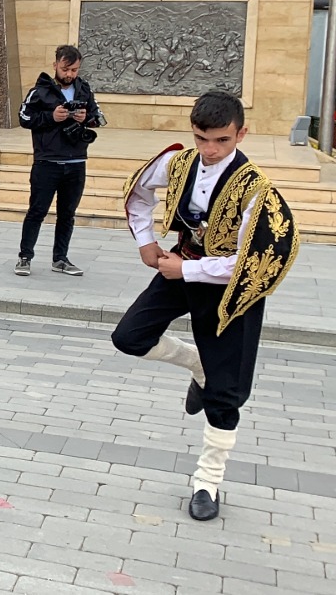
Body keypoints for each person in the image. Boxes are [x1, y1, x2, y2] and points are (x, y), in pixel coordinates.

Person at [110, 91, 298, 522]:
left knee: (226, 394)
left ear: (241, 134)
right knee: (129, 336)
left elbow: (257, 259)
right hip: (181, 264)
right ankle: (197, 362)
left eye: (221, 141)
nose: (210, 150)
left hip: (230, 288)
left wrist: (188, 272)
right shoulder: (178, 163)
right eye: (201, 139)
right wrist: (145, 241)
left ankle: (207, 481)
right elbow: (137, 192)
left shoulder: (258, 190)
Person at [16, 45, 102, 277]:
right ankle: (25, 257)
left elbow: (99, 118)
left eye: (74, 70)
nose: (70, 74)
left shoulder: (84, 90)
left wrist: (87, 118)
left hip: (76, 162)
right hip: (47, 161)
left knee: (67, 213)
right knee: (37, 211)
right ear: (55, 65)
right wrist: (51, 117)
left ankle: (60, 259)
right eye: (65, 69)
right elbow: (24, 117)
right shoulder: (40, 91)